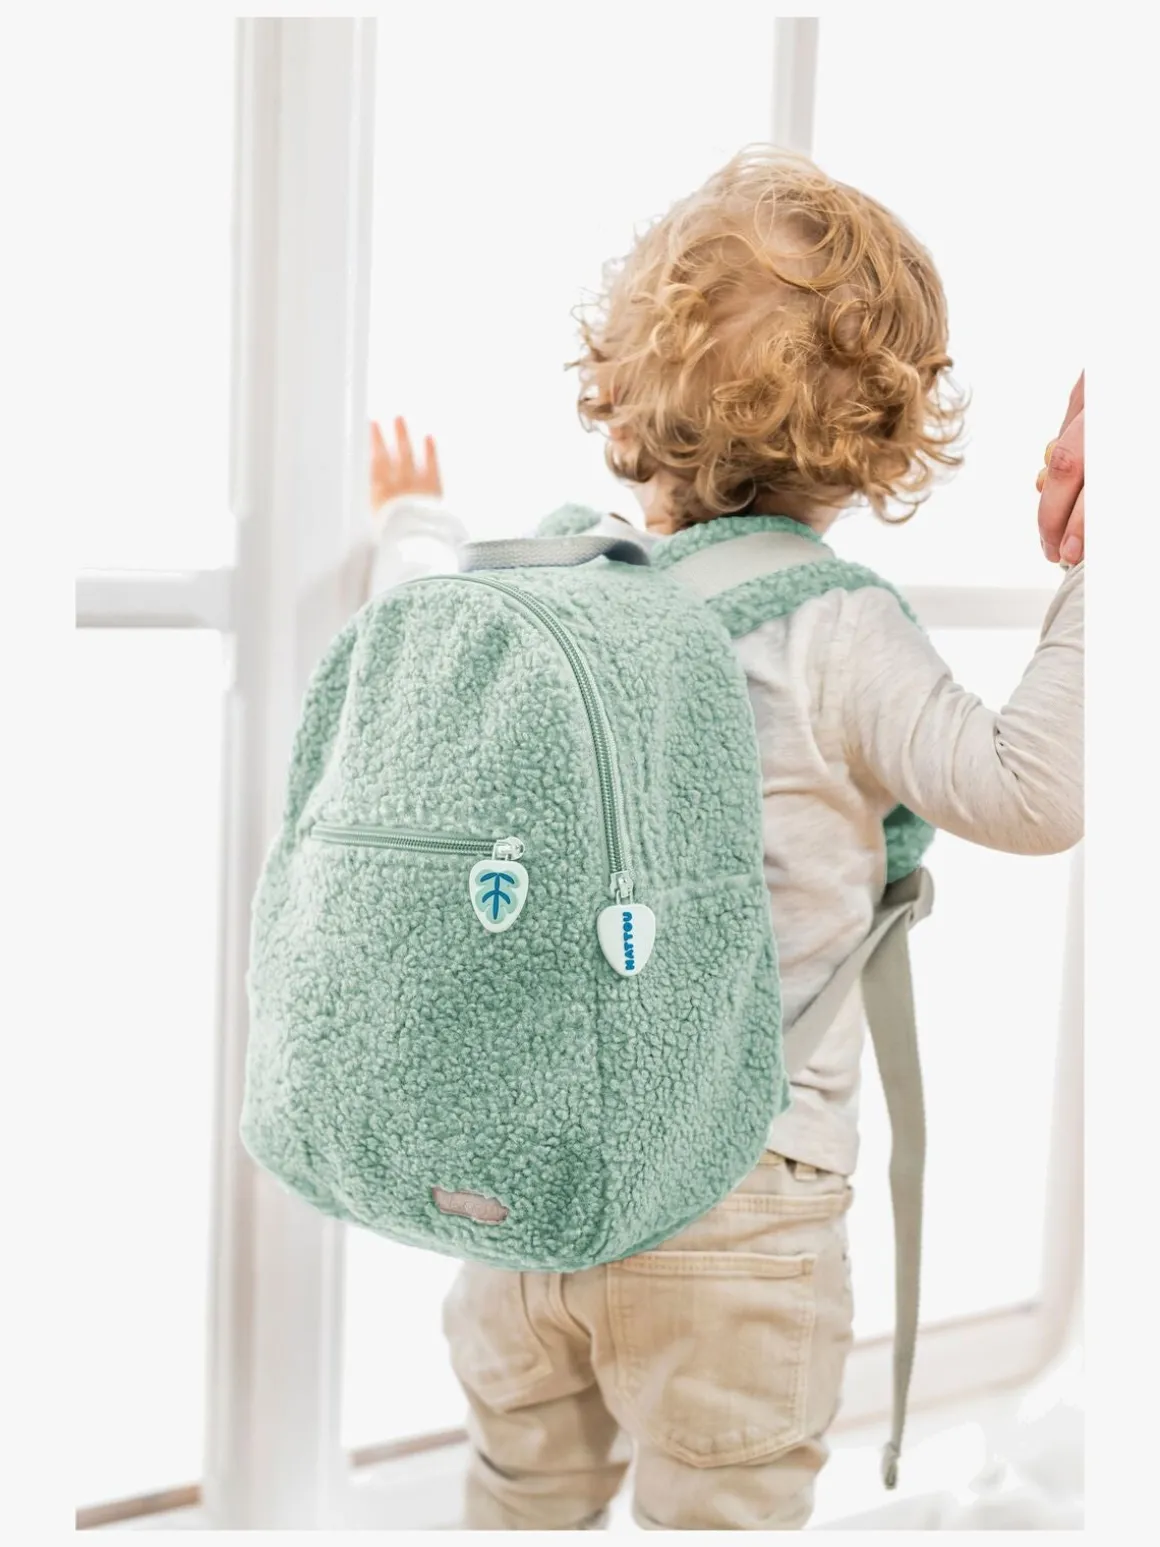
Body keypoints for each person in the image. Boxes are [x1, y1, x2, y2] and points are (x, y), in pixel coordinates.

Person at [366, 148, 1084, 1531]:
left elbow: (411, 638)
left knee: (517, 1502)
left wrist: (409, 522)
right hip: (736, 1205)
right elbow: (1030, 791)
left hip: (520, 1192)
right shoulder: (836, 630)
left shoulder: (553, 594)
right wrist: (1112, 578)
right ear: (881, 430)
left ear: (628, 384)